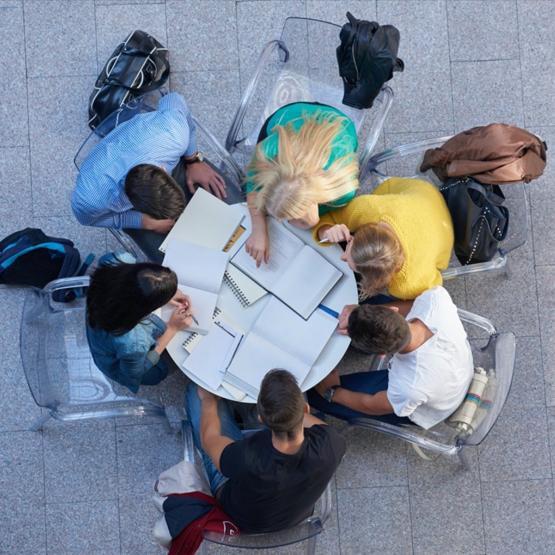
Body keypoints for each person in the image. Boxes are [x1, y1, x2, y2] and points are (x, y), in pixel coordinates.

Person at [72, 92, 227, 261]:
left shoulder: (173, 135)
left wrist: (193, 159)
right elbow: (90, 220)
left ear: (162, 169)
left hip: (152, 135)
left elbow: (174, 98)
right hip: (97, 171)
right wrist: (145, 222)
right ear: (131, 205)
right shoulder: (89, 201)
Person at [185, 369, 346, 533]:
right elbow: (319, 427)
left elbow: (209, 440)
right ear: (305, 409)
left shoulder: (246, 457)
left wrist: (208, 401)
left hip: (241, 519)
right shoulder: (332, 442)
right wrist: (288, 412)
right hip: (295, 515)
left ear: (261, 418)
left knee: (195, 390)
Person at [308, 287, 474, 429]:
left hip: (440, 402)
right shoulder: (436, 299)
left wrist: (332, 393)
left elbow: (371, 404)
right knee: (369, 305)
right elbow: (412, 305)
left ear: (381, 354)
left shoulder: (408, 387)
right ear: (392, 310)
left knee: (315, 395)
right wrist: (358, 314)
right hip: (457, 363)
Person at [244, 102, 360, 265]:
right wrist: (259, 229)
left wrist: (316, 225)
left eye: (291, 218)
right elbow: (253, 185)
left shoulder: (343, 189)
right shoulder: (269, 151)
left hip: (339, 125)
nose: (285, 222)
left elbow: (323, 218)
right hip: (290, 116)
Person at [313, 176, 454, 300]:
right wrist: (326, 232)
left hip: (435, 212)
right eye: (350, 240)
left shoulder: (409, 284)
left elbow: (435, 294)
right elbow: (321, 219)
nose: (342, 256)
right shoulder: (368, 208)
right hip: (421, 194)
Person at [86, 262, 193, 393]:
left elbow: (140, 283)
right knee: (168, 364)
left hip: (100, 337)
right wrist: (172, 329)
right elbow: (136, 372)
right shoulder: (134, 343)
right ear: (143, 309)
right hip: (117, 365)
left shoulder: (113, 264)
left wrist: (163, 291)